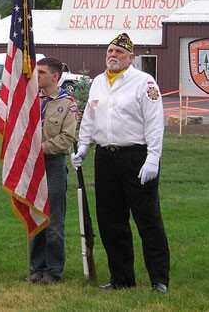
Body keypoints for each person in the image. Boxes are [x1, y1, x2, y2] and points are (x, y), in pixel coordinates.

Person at [71, 33, 170, 294]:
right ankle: (121, 278)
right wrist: (84, 145)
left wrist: (153, 159)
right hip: (106, 157)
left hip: (136, 156)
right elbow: (90, 117)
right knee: (110, 220)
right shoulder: (98, 82)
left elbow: (154, 123)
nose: (113, 55)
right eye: (110, 51)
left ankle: (159, 279)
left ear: (131, 58)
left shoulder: (144, 82)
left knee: (147, 219)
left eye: (119, 52)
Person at [30, 57, 78, 284]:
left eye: (41, 73)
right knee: (35, 215)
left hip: (52, 165)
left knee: (54, 219)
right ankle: (36, 267)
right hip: (32, 166)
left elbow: (66, 138)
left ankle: (54, 270)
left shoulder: (67, 104)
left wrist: (39, 150)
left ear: (54, 76)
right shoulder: (31, 101)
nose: (36, 76)